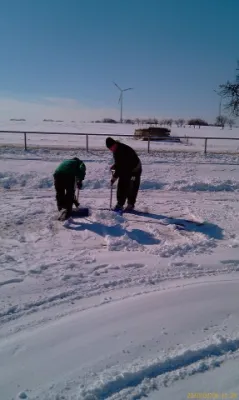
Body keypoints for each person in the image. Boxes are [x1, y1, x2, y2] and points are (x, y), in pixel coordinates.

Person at [106, 137, 142, 212]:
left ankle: (130, 204)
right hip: (126, 168)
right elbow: (119, 163)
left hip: (135, 170)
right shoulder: (116, 150)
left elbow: (121, 167)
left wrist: (114, 178)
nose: (111, 150)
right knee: (122, 184)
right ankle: (120, 204)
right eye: (109, 149)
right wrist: (115, 165)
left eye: (111, 148)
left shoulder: (123, 150)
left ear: (115, 144)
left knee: (131, 185)